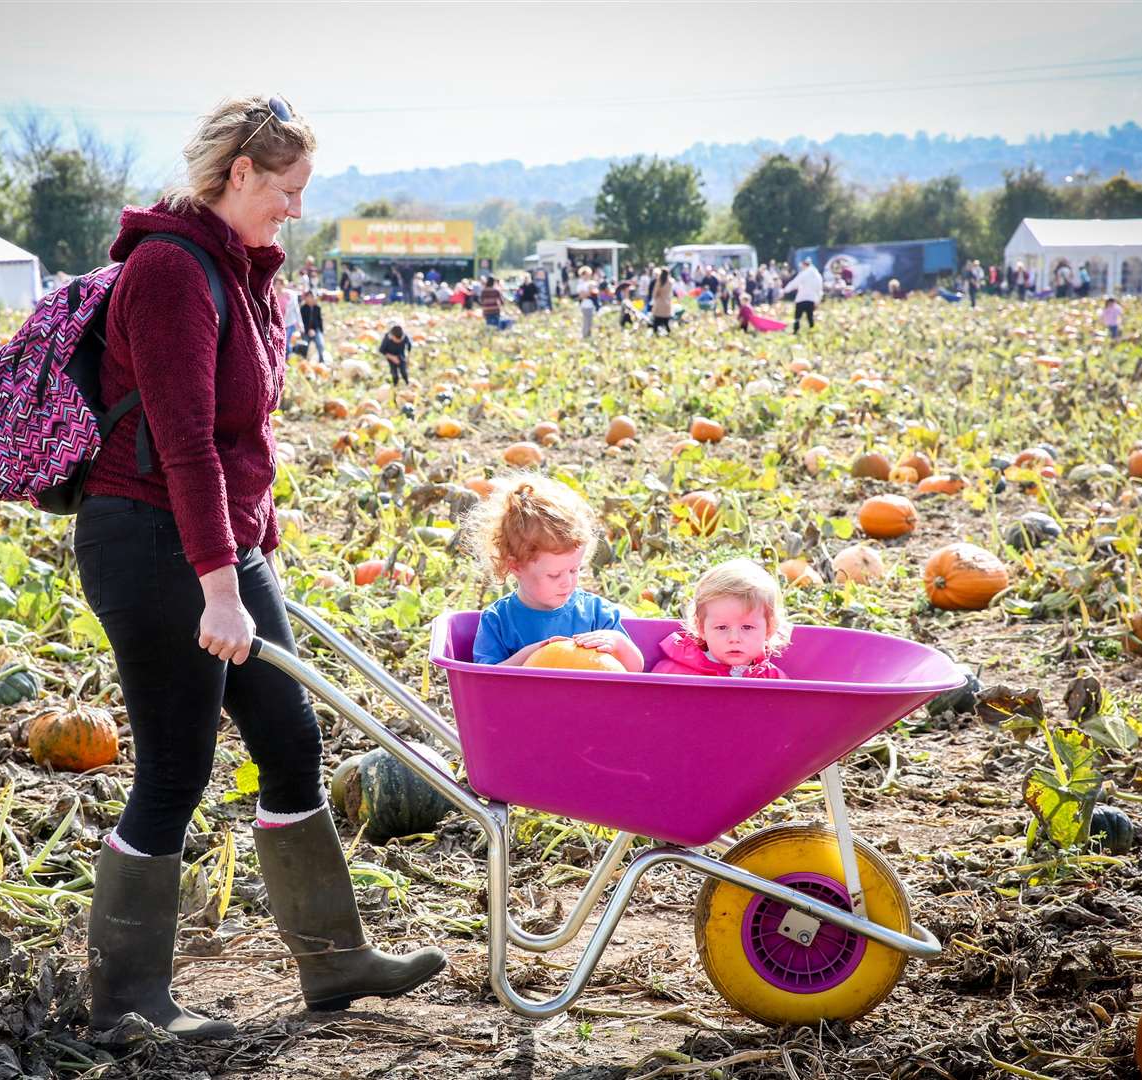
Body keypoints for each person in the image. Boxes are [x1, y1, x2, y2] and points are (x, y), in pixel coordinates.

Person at [74, 94, 444, 1040]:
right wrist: (220, 586)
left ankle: (334, 962)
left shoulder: (243, 273)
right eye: (286, 189)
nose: (294, 207)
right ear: (238, 174)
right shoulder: (166, 270)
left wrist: (255, 554)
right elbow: (187, 444)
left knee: (291, 740)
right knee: (174, 767)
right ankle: (125, 1004)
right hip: (150, 539)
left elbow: (249, 434)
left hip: (219, 544)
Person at [464, 475, 644, 671]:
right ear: (516, 566)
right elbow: (486, 681)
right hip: (525, 702)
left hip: (593, 701)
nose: (567, 582)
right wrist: (530, 655)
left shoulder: (597, 613)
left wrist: (618, 643)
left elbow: (635, 670)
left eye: (575, 570)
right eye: (554, 575)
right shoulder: (498, 620)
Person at [650, 560, 790, 678]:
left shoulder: (772, 679)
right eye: (722, 627)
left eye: (747, 627)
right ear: (701, 629)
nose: (734, 638)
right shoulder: (675, 674)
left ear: (769, 628)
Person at [782, 257, 823, 333]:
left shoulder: (804, 274)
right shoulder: (818, 275)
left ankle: (796, 330)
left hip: (802, 298)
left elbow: (794, 283)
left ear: (804, 265)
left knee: (797, 316)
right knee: (810, 316)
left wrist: (785, 290)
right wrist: (818, 300)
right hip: (812, 299)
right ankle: (812, 330)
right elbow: (819, 289)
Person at [298, 289, 325, 361]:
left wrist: (320, 331)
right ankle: (304, 360)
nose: (310, 299)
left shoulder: (317, 308)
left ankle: (321, 360)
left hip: (315, 330)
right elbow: (302, 321)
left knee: (320, 344)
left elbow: (319, 320)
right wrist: (308, 330)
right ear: (306, 298)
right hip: (306, 330)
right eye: (308, 297)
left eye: (312, 297)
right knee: (304, 345)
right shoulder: (303, 308)